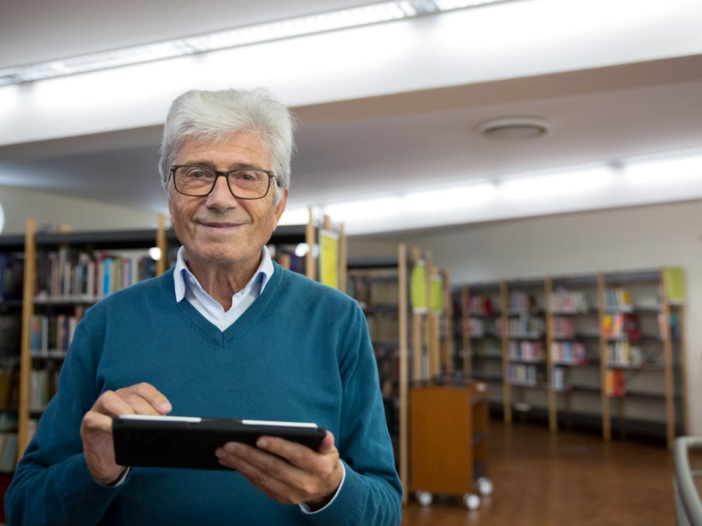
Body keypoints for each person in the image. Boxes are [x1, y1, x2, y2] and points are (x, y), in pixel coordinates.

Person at [5, 88, 402, 525]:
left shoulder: (337, 321)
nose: (220, 197)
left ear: (278, 204)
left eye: (248, 176)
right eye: (197, 174)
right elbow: (24, 508)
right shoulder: (106, 323)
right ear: (170, 197)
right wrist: (95, 472)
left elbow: (384, 511)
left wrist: (331, 491)